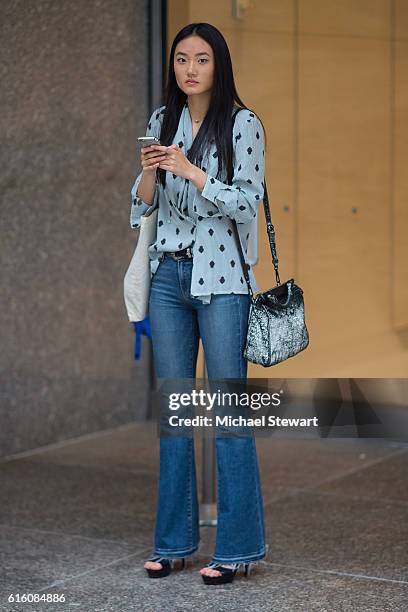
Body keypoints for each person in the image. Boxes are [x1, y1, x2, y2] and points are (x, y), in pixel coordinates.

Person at [130, 22, 267, 586]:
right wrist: (148, 172)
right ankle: (174, 543)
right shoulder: (161, 122)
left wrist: (192, 172)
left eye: (202, 59)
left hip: (223, 281)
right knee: (176, 415)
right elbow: (139, 208)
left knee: (230, 416)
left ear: (219, 65)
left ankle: (236, 549)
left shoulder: (243, 124)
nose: (190, 68)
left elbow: (246, 203)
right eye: (182, 58)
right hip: (168, 277)